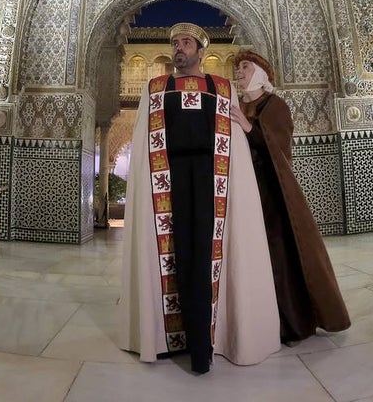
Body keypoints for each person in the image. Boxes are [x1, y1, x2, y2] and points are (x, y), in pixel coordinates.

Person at [118, 22, 279, 374]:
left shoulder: (221, 88)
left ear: (202, 52)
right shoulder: (155, 88)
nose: (179, 47)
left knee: (208, 258)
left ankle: (204, 346)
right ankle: (167, 339)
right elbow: (145, 141)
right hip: (167, 181)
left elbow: (234, 140)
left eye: (187, 43)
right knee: (173, 255)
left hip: (213, 182)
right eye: (175, 43)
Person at [229, 50, 351, 343]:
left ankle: (292, 323)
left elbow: (279, 148)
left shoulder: (275, 105)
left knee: (279, 257)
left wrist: (248, 127)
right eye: (238, 68)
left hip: (274, 195)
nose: (239, 72)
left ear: (261, 74)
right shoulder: (239, 107)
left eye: (245, 67)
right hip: (245, 193)